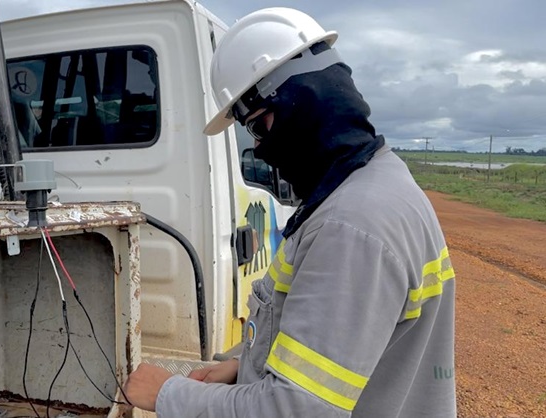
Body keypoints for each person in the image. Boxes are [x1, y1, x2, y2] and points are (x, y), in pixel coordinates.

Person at [123, 7, 456, 417]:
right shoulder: (380, 179)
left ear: (305, 100)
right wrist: (243, 363)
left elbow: (293, 409)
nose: (259, 146)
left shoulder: (351, 226)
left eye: (258, 125)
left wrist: (167, 393)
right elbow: (339, 350)